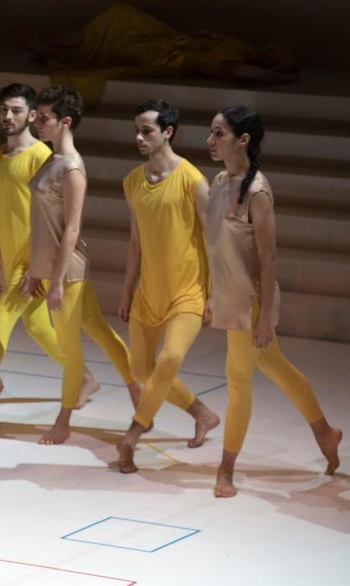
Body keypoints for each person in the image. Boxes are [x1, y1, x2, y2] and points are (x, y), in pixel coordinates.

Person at [0, 83, 106, 433]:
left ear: (32, 115)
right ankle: (85, 377)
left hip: (33, 260)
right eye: (3, 109)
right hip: (11, 258)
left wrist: (36, 264)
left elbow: (52, 218)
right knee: (35, 325)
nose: (7, 116)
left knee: (0, 328)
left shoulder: (41, 157)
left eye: (16, 110)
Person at [202, 106, 341, 497]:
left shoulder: (258, 191)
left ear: (242, 140)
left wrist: (264, 317)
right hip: (228, 296)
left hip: (251, 301)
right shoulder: (217, 182)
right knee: (276, 365)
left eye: (219, 133)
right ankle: (325, 432)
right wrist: (209, 294)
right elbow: (213, 244)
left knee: (237, 380)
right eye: (211, 133)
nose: (210, 141)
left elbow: (268, 258)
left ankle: (226, 468)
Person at [17, 85, 143, 444]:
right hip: (54, 265)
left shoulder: (72, 167)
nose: (37, 123)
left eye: (44, 118)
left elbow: (71, 228)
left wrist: (55, 279)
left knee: (70, 349)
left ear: (65, 121)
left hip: (68, 268)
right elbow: (43, 224)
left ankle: (64, 421)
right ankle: (138, 392)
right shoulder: (50, 159)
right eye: (37, 116)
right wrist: (34, 268)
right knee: (98, 330)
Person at [115, 99, 222, 474]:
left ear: (168, 133)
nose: (140, 137)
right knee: (142, 372)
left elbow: (213, 242)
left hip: (187, 291)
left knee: (168, 360)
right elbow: (135, 242)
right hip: (148, 292)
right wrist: (127, 290)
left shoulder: (194, 181)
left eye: (147, 130)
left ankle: (132, 436)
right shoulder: (132, 181)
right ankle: (202, 412)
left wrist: (212, 295)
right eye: (137, 130)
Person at [24, 3, 296, 105]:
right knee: (119, 15)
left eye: (277, 55)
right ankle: (52, 45)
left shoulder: (236, 63)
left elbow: (236, 72)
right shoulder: (243, 47)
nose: (271, 50)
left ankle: (50, 50)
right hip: (169, 38)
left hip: (165, 56)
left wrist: (277, 78)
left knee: (116, 46)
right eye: (275, 48)